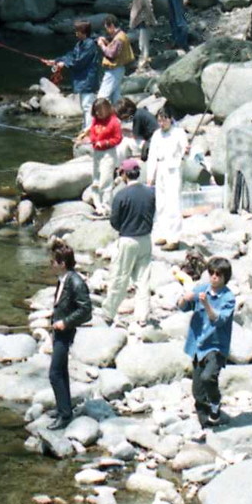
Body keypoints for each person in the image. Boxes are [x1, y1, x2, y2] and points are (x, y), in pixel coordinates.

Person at [179, 256, 235, 427]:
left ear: (225, 277)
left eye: (218, 274)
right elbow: (183, 307)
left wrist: (207, 304)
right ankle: (206, 423)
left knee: (208, 377)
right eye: (211, 273)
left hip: (216, 346)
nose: (214, 277)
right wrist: (185, 298)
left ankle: (216, 403)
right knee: (197, 391)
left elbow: (218, 320)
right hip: (198, 345)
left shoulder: (228, 298)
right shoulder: (202, 288)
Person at [101, 159, 156, 331]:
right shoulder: (150, 193)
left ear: (124, 174)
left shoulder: (121, 195)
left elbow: (114, 222)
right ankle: (142, 317)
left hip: (127, 240)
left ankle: (109, 313)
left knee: (120, 277)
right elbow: (153, 213)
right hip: (146, 239)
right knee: (143, 280)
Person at [48, 240, 92, 430]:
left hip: (65, 331)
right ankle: (63, 408)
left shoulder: (75, 282)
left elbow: (86, 310)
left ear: (62, 264)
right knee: (62, 371)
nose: (51, 264)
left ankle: (65, 415)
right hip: (58, 330)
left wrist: (65, 322)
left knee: (54, 373)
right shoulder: (63, 279)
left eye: (54, 261)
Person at [42, 20, 100, 129]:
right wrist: (55, 61)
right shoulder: (80, 44)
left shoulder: (90, 45)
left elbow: (79, 61)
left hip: (88, 80)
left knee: (88, 106)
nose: (75, 33)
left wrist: (64, 64)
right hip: (82, 80)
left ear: (83, 32)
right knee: (85, 106)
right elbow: (71, 56)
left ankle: (88, 130)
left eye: (77, 31)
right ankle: (86, 129)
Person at [146, 103, 187, 248]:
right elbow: (152, 156)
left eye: (164, 120)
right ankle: (162, 234)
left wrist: (185, 152)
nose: (161, 123)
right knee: (161, 203)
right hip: (161, 168)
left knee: (173, 203)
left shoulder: (179, 133)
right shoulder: (157, 135)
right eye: (159, 120)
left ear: (171, 119)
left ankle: (174, 238)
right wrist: (150, 175)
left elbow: (184, 151)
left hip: (173, 169)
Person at [77, 97, 122, 216]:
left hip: (109, 154)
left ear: (107, 109)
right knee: (96, 179)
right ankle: (98, 206)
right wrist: (85, 139)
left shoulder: (114, 121)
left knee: (106, 181)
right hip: (97, 153)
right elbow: (92, 133)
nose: (98, 113)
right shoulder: (95, 120)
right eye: (96, 111)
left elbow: (118, 139)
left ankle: (107, 207)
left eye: (100, 110)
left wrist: (104, 143)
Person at [96, 15, 134, 104]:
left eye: (107, 28)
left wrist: (102, 45)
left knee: (102, 96)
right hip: (119, 68)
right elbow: (115, 49)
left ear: (112, 25)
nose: (107, 31)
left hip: (114, 70)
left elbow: (111, 54)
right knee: (116, 97)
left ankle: (104, 116)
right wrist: (107, 42)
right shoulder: (121, 35)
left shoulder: (118, 38)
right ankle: (120, 116)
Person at [128, 0, 157, 67]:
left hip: (143, 20)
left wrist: (152, 20)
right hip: (141, 20)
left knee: (143, 44)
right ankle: (143, 61)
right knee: (142, 42)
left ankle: (143, 62)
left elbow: (148, 7)